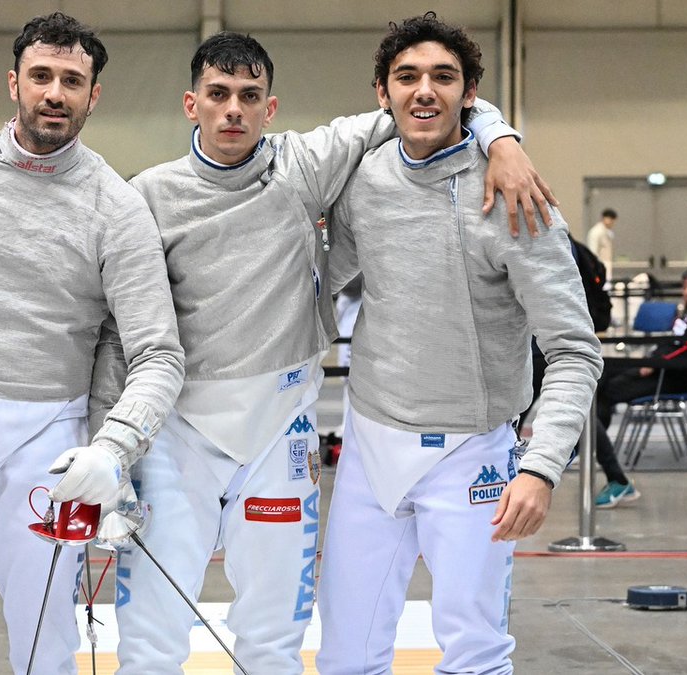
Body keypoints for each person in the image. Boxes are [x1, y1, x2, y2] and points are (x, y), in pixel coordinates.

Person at [94, 31, 554, 675]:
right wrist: (109, 449)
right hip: (178, 432)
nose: (233, 110)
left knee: (275, 635)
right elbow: (122, 332)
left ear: (270, 107)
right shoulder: (145, 196)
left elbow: (421, 106)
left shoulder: (304, 164)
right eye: (218, 94)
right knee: (150, 634)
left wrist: (500, 139)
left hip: (278, 428)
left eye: (249, 96)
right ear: (190, 103)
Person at [0, 13, 184, 674]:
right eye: (42, 76)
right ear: (14, 82)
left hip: (48, 442)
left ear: (93, 95)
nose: (55, 92)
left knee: (43, 638)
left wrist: (114, 448)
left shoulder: (117, 206)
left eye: (72, 81)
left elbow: (159, 354)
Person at [318, 13, 603, 674]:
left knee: (474, 653)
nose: (424, 91)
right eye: (407, 76)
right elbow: (320, 283)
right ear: (381, 93)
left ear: (469, 92)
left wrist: (540, 464)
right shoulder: (363, 178)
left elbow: (574, 348)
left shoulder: (514, 195)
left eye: (443, 77)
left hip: (472, 455)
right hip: (368, 447)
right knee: (344, 652)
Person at [593, 267, 687, 507]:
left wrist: (654, 363)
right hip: (656, 366)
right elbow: (671, 342)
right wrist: (653, 359)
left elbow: (686, 349)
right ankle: (593, 444)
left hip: (669, 378)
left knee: (606, 389)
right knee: (601, 376)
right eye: (685, 287)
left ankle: (607, 464)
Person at [587, 207, 618, 283]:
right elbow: (593, 251)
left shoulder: (607, 232)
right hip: (600, 268)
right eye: (610, 219)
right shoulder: (596, 232)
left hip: (606, 266)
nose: (612, 222)